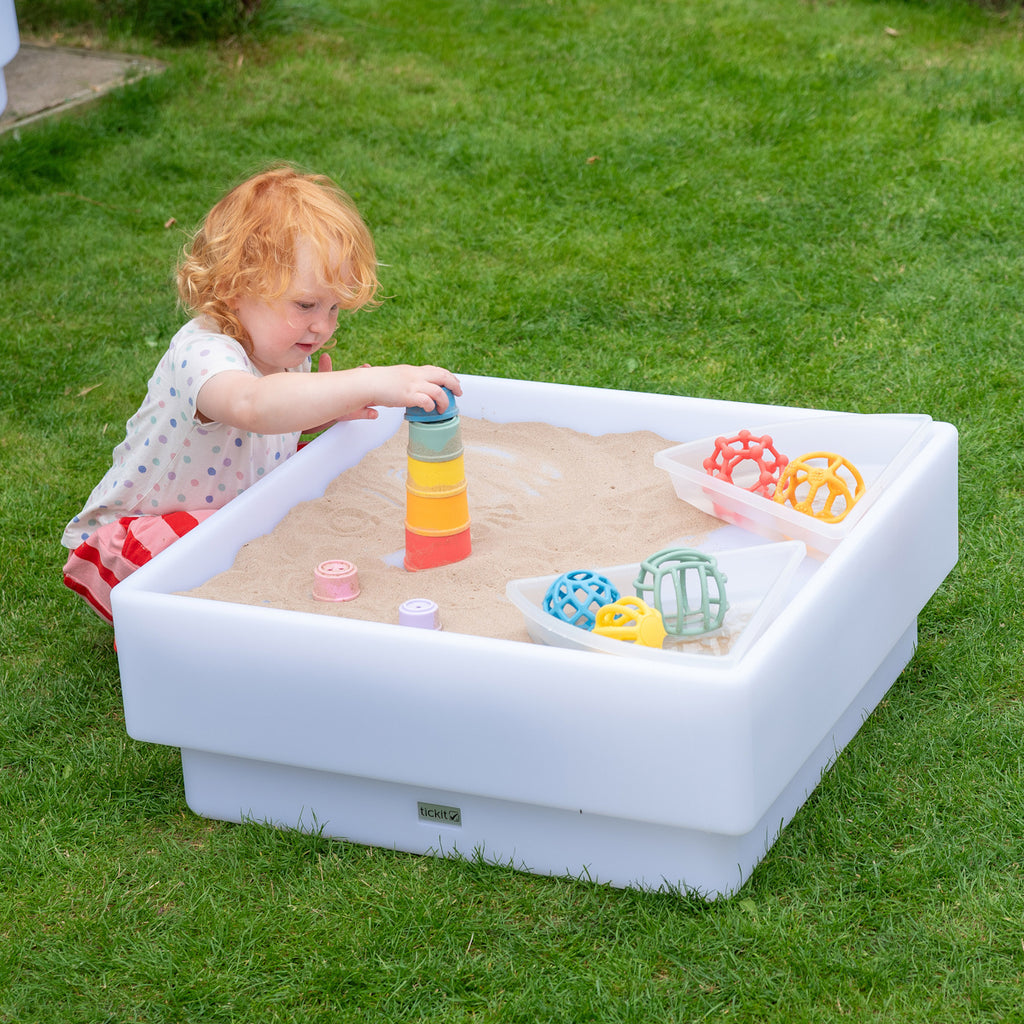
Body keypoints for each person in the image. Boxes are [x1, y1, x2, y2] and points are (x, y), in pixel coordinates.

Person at [61, 165, 461, 623]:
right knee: (232, 558)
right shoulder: (202, 352)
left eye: (334, 308)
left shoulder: (286, 348)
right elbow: (251, 406)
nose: (323, 325)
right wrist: (370, 382)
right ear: (235, 289)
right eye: (306, 305)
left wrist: (326, 412)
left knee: (275, 526)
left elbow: (275, 423)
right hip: (138, 538)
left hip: (229, 514)